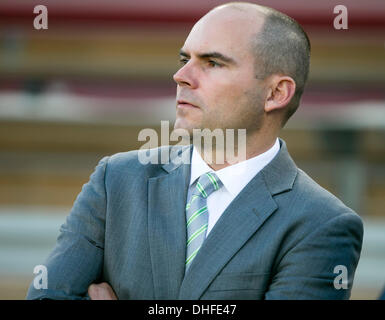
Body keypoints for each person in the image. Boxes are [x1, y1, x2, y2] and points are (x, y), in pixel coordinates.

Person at [26, 2, 363, 300]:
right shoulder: (115, 179)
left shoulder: (322, 223)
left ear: (276, 93)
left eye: (213, 62)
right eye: (185, 59)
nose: (181, 76)